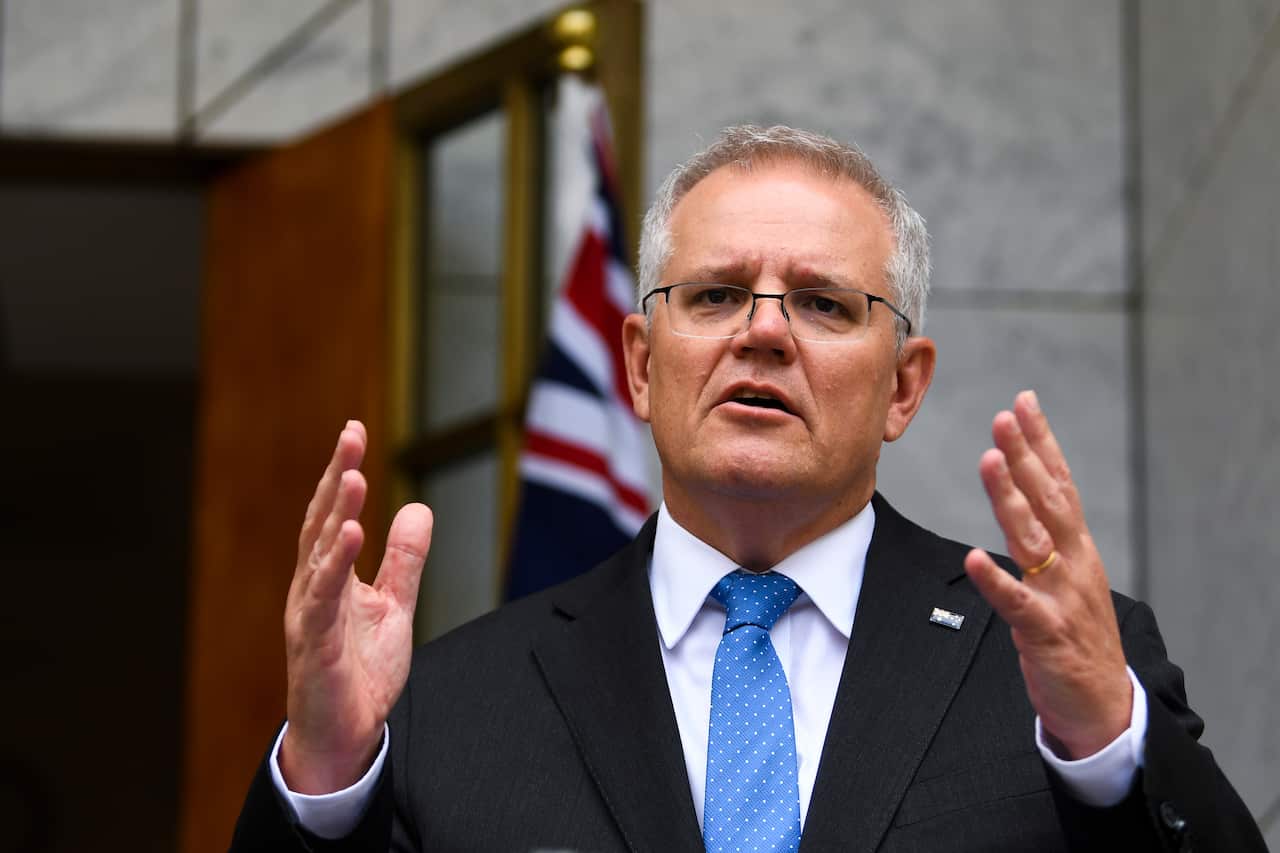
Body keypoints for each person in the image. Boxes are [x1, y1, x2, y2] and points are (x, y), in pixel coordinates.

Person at [231, 126, 1266, 851]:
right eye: (717, 293)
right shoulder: (449, 707)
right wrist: (324, 779)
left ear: (902, 387)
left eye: (820, 302)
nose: (761, 330)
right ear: (639, 365)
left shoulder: (1065, 667)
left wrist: (1105, 748)